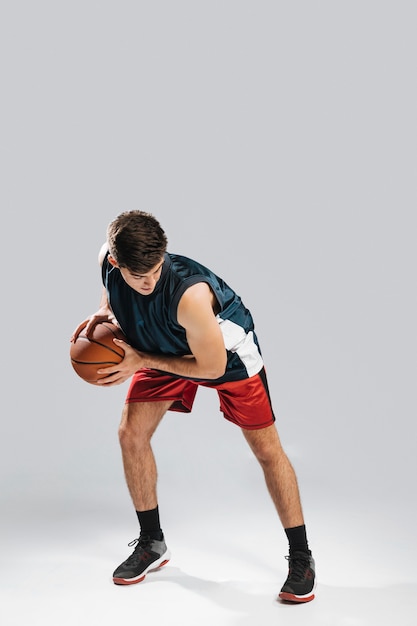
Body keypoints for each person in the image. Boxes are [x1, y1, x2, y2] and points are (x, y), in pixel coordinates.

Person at [71, 209, 316, 603]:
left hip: (225, 356)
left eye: (155, 270)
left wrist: (142, 360)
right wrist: (106, 307)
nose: (149, 281)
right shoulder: (108, 261)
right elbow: (109, 280)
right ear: (116, 263)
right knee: (130, 434)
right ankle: (152, 543)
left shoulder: (189, 295)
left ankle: (302, 557)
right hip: (161, 346)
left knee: (268, 451)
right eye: (139, 276)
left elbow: (211, 366)